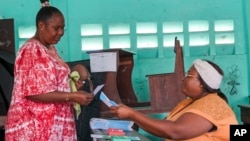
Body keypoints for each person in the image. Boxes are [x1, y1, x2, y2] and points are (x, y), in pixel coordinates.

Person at [5, 5, 94, 141]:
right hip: (36, 128)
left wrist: (72, 86)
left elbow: (52, 84)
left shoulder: (50, 49)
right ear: (41, 26)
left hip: (53, 125)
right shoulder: (31, 50)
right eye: (56, 28)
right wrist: (72, 96)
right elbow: (34, 93)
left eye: (62, 28)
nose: (60, 32)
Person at [110, 59, 238, 141]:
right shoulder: (187, 102)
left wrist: (133, 114)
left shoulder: (213, 104)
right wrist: (132, 117)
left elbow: (175, 131)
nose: (183, 78)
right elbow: (163, 128)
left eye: (189, 75)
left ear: (202, 84)